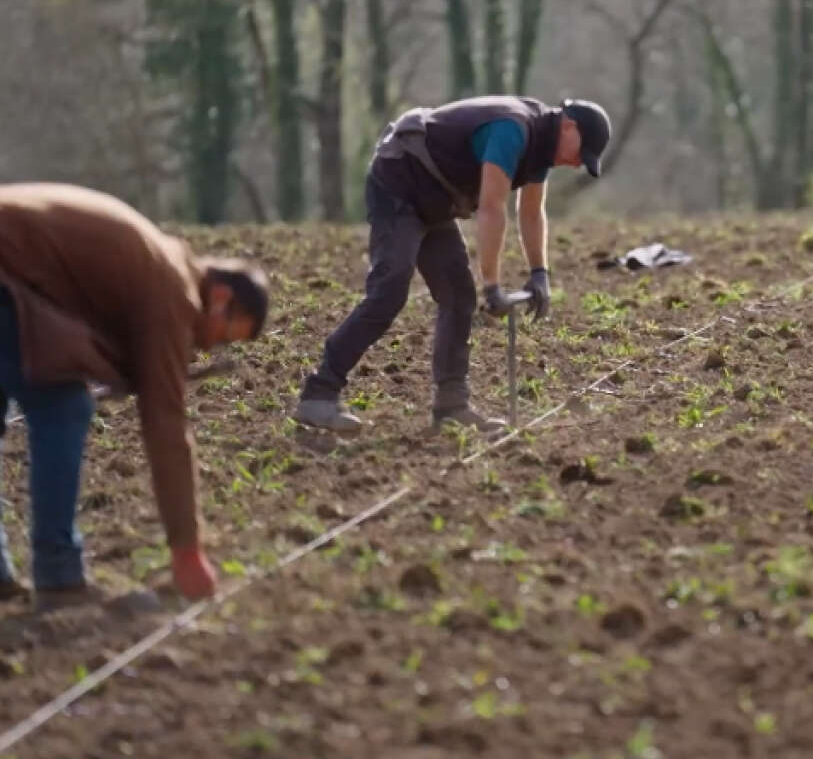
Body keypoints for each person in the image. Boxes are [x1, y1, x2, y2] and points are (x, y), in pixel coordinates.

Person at [0, 183, 269, 609]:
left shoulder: (161, 261)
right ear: (221, 298)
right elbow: (165, 423)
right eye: (223, 337)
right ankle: (59, 577)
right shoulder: (173, 292)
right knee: (63, 408)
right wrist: (187, 550)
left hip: (12, 267)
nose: (210, 348)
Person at [295, 95, 611, 434]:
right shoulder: (512, 130)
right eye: (582, 152)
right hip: (400, 179)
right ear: (569, 125)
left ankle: (452, 405)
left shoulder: (542, 147)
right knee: (389, 291)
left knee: (459, 295)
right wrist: (492, 285)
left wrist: (539, 274)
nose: (579, 164)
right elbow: (492, 207)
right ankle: (319, 393)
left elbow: (531, 212)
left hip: (436, 197)